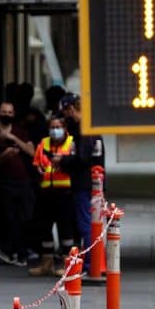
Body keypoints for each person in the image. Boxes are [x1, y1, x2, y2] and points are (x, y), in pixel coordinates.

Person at [0, 101, 35, 266]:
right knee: (10, 218)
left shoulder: (21, 131)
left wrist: (13, 138)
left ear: (14, 114)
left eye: (10, 112)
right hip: (5, 183)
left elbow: (32, 152)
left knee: (27, 216)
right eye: (4, 111)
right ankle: (13, 252)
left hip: (24, 181)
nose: (7, 114)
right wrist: (4, 156)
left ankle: (23, 249)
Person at [58, 93, 104, 266]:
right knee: (92, 223)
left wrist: (62, 160)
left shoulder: (84, 131)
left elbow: (82, 158)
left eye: (65, 112)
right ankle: (93, 261)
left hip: (85, 184)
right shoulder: (90, 127)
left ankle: (90, 264)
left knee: (86, 224)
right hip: (92, 183)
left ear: (71, 109)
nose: (65, 118)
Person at [29, 116, 76, 276]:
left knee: (66, 230)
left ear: (64, 128)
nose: (55, 130)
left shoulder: (72, 142)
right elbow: (36, 163)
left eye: (58, 126)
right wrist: (38, 171)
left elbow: (76, 164)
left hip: (65, 193)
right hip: (46, 192)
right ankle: (46, 263)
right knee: (45, 228)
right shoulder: (43, 143)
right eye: (52, 127)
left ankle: (67, 265)